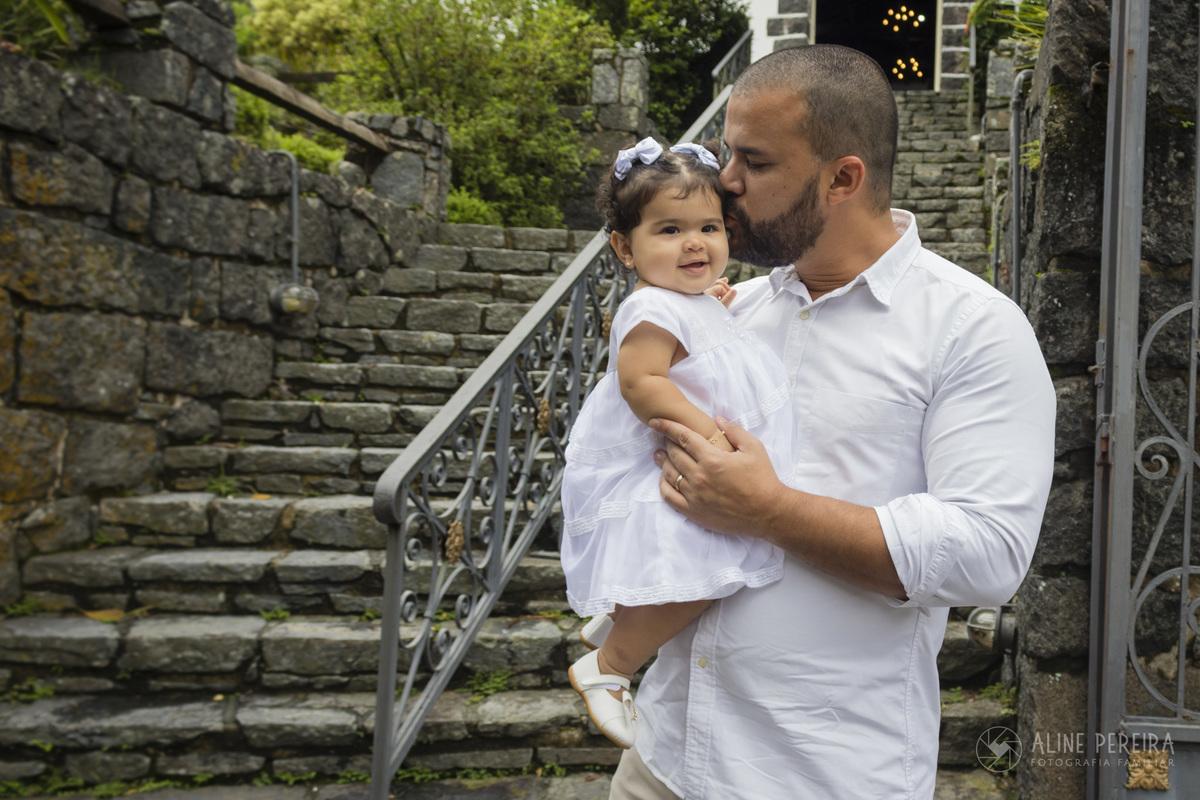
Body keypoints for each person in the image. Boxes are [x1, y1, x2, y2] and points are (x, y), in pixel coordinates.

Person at [608, 45, 1057, 799]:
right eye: (726, 154)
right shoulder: (725, 314)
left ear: (843, 178)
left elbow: (989, 554)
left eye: (753, 160)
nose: (725, 183)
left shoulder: (972, 328)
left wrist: (770, 510)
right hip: (663, 759)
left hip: (822, 777)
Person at [560, 137, 798, 750]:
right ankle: (609, 667)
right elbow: (643, 384)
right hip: (673, 458)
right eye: (669, 230)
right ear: (624, 247)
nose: (694, 243)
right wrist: (711, 436)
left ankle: (616, 617)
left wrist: (709, 301)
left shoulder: (690, 299)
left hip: (689, 460)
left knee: (686, 560)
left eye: (709, 227)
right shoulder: (649, 311)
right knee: (705, 575)